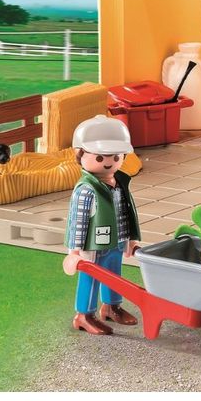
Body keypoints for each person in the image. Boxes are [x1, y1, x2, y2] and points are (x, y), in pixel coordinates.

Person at [62, 115, 140, 334]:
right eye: (100, 157)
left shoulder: (120, 184)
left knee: (115, 275)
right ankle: (84, 315)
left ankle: (112, 307)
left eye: (116, 157)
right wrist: (75, 251)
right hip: (93, 246)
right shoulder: (87, 189)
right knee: (91, 278)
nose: (109, 162)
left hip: (117, 241)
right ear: (80, 155)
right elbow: (78, 221)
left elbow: (127, 214)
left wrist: (130, 240)